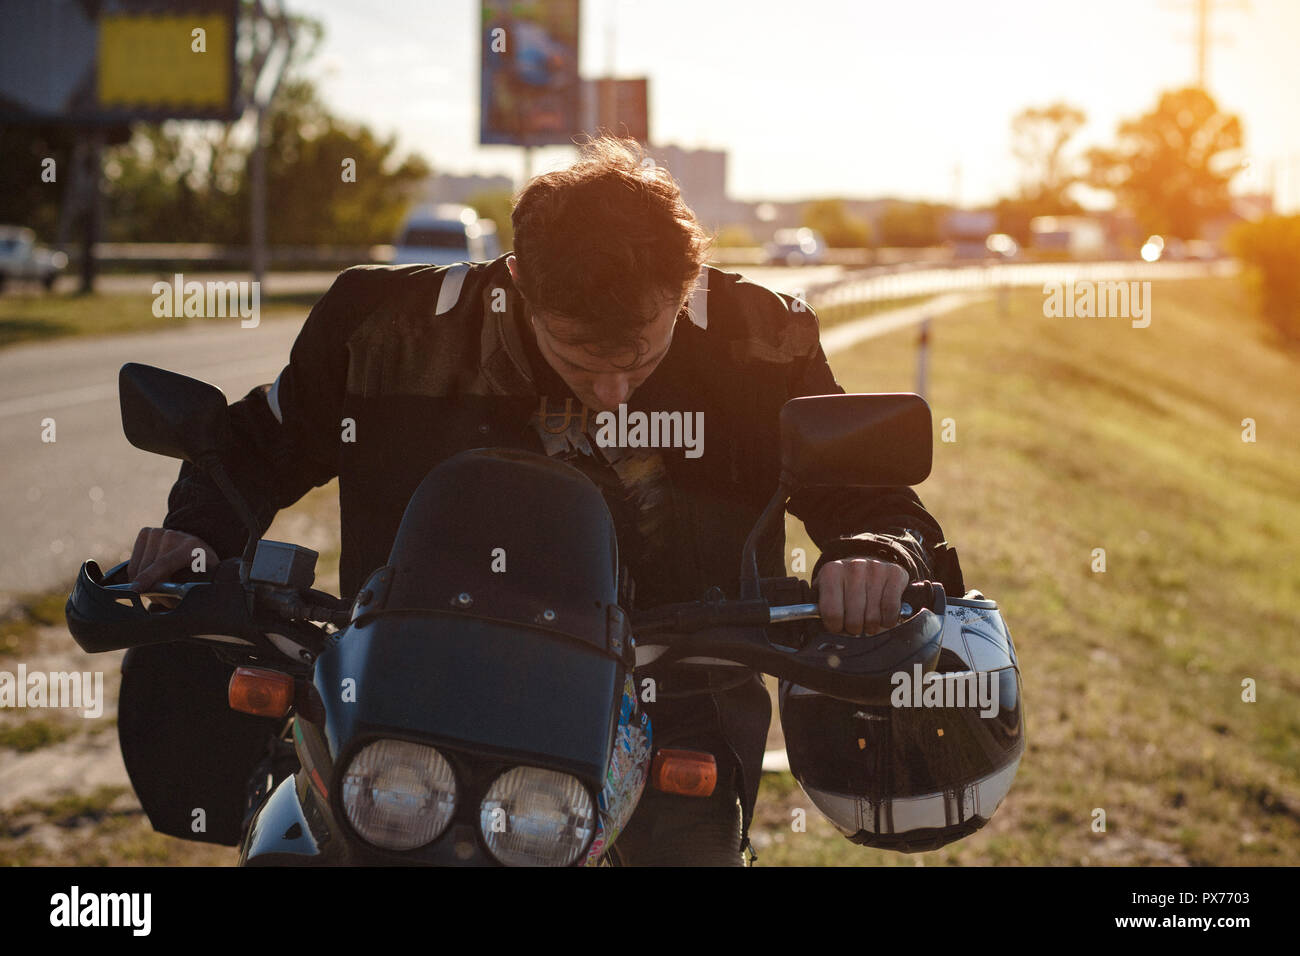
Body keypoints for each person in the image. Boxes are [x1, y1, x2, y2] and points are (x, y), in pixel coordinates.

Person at [120, 135, 957, 865]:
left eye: (643, 349)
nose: (614, 387)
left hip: (674, 708)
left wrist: (876, 554)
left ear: (689, 277)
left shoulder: (757, 340)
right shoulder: (388, 332)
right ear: (519, 280)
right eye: (580, 352)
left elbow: (861, 487)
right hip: (403, 695)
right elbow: (255, 447)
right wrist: (196, 538)